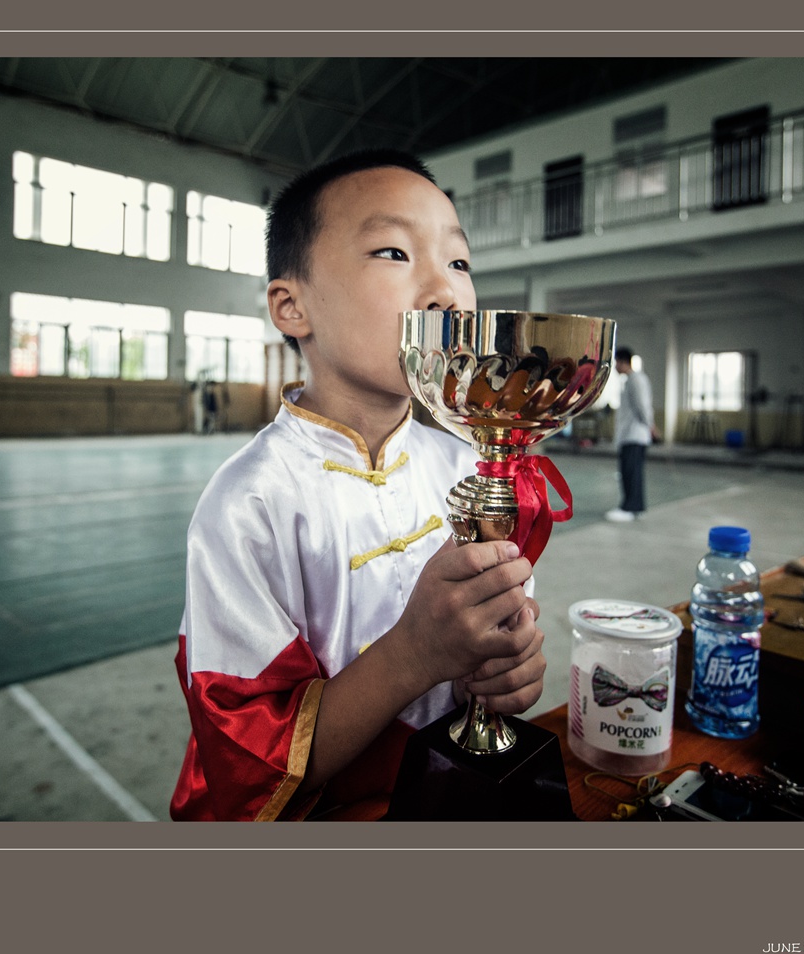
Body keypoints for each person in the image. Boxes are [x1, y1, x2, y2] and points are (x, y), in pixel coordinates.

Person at [169, 149, 546, 821]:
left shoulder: (471, 468)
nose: (444, 293)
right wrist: (413, 655)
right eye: (394, 253)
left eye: (459, 262)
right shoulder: (248, 504)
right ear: (292, 306)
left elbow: (494, 652)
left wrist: (500, 672)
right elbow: (248, 762)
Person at [605, 345, 656, 522]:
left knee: (631, 473)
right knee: (630, 472)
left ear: (622, 362)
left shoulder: (636, 380)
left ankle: (630, 508)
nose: (615, 367)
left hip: (635, 435)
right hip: (630, 435)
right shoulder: (630, 380)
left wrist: (650, 426)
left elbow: (643, 406)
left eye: (616, 363)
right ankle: (635, 507)